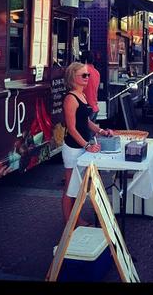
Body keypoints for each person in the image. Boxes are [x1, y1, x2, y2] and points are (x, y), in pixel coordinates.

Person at [62, 62, 113, 224]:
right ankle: (70, 223)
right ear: (73, 77)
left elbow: (86, 121)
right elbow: (71, 129)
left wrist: (101, 131)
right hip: (73, 148)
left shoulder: (82, 95)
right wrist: (87, 145)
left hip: (82, 146)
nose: (87, 77)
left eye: (88, 75)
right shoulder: (71, 98)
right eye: (83, 75)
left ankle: (76, 219)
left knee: (78, 187)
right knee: (70, 188)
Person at [80, 50, 100, 122]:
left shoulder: (82, 70)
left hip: (85, 108)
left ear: (85, 60)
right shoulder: (96, 72)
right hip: (94, 107)